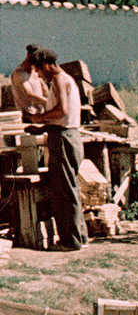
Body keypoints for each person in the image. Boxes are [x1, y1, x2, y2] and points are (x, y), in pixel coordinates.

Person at [25, 47, 88, 251]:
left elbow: (62, 110)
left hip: (63, 139)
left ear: (45, 66)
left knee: (64, 191)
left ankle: (70, 242)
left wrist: (38, 118)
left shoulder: (60, 80)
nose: (39, 75)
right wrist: (41, 126)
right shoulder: (67, 79)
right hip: (69, 135)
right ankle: (80, 237)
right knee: (71, 189)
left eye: (39, 71)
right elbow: (62, 115)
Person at [9, 44, 48, 113]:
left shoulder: (35, 71)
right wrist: (49, 102)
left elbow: (45, 90)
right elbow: (29, 95)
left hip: (40, 113)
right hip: (27, 115)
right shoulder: (19, 73)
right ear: (29, 56)